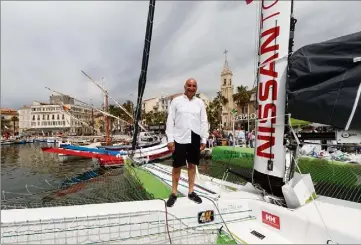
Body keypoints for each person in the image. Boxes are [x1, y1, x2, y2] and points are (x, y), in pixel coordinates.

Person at [165, 78, 209, 207]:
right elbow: (170, 120)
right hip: (179, 137)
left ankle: (191, 192)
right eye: (189, 85)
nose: (191, 87)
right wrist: (170, 139)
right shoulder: (176, 101)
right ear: (185, 86)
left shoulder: (200, 103)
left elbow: (204, 122)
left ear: (196, 88)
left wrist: (204, 139)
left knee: (192, 165)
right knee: (177, 166)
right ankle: (173, 193)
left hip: (195, 136)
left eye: (194, 85)